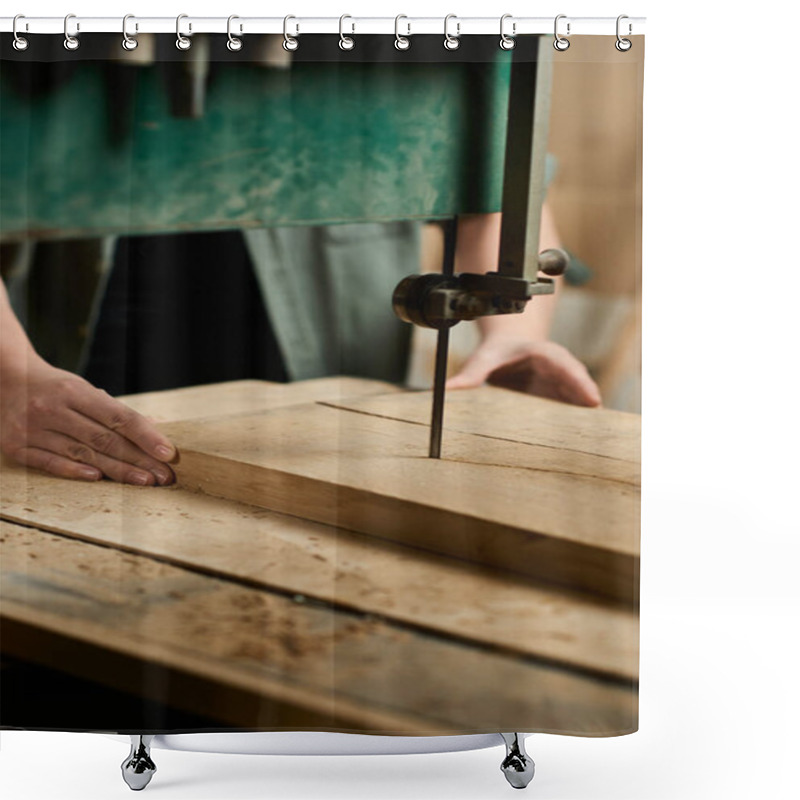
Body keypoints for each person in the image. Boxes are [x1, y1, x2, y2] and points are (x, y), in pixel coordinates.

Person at [0, 205, 599, 488]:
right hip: (62, 402)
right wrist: (11, 373)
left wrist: (513, 337)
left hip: (328, 419)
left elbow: (497, 195)